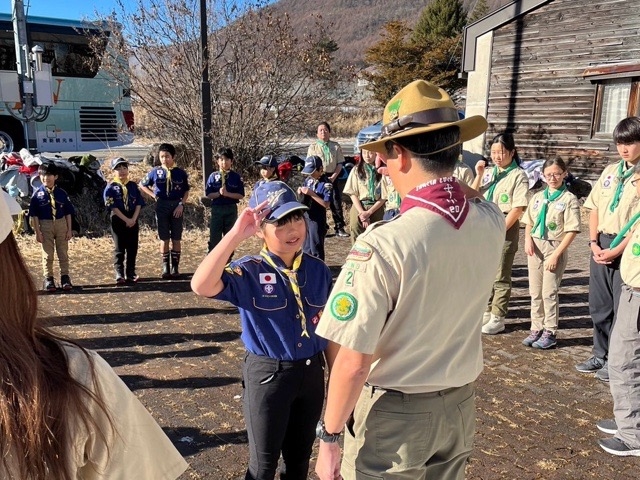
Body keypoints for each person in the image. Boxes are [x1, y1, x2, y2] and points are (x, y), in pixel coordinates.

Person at [313, 80, 505, 480]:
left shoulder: (383, 244)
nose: (379, 164)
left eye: (384, 153)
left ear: (399, 153)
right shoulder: (490, 220)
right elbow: (471, 196)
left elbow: (351, 361)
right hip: (459, 405)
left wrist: (329, 437)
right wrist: (448, 179)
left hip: (395, 417)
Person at [0, 193, 189, 479]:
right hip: (63, 227)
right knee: (56, 255)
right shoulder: (70, 372)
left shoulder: (73, 372)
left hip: (79, 227)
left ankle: (75, 276)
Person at [191, 181, 333, 480]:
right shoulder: (250, 270)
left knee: (299, 461)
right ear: (260, 229)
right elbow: (201, 286)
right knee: (263, 466)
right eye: (281, 222)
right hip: (269, 376)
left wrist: (335, 378)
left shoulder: (318, 269)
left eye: (297, 218)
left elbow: (330, 329)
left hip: (311, 374)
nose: (293, 228)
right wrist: (234, 236)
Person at [576, 116, 640, 381]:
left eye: (630, 142)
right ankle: (599, 353)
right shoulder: (611, 171)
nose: (624, 149)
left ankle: (616, 361)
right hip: (601, 243)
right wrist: (592, 243)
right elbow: (595, 207)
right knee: (599, 306)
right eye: (619, 143)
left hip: (627, 249)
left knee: (621, 309)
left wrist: (616, 250)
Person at [596, 161, 640, 456]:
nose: (634, 186)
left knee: (623, 361)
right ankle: (631, 417)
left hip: (638, 292)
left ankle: (632, 436)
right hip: (631, 286)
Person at [473, 132, 530, 335]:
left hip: (504, 226)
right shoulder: (489, 172)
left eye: (502, 152)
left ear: (512, 152)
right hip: (483, 226)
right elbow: (472, 195)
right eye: (494, 152)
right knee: (484, 271)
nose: (497, 156)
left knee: (500, 273)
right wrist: (479, 174)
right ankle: (487, 310)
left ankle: (498, 315)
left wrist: (498, 230)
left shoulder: (518, 175)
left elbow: (518, 207)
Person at [522, 159, 581, 349]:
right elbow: (529, 221)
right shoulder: (538, 197)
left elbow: (572, 230)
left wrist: (556, 255)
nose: (553, 178)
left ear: (565, 173)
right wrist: (527, 239)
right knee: (535, 292)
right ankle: (536, 327)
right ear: (543, 176)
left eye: (557, 173)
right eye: (548, 174)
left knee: (549, 292)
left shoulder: (568, 199)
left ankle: (550, 331)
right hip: (535, 248)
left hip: (555, 247)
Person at [139, 143, 190, 278]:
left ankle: (175, 267)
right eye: (162, 156)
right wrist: (153, 195)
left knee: (176, 238)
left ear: (173, 157)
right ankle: (165, 267)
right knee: (164, 237)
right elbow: (142, 184)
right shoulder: (155, 171)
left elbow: (186, 191)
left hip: (176, 206)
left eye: (167, 156)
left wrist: (181, 204)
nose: (164, 159)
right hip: (162, 205)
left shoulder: (180, 173)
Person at [28, 162, 75, 292]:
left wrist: (69, 229)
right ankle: (49, 278)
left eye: (49, 175)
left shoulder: (62, 193)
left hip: (60, 224)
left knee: (63, 252)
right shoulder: (37, 195)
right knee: (48, 254)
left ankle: (65, 277)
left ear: (55, 177)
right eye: (42, 174)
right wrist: (37, 232)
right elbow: (34, 215)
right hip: (45, 224)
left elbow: (68, 212)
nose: (45, 178)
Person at [103, 157, 145, 284]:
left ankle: (131, 272)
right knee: (119, 247)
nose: (122, 171)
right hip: (118, 218)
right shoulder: (110, 187)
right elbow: (112, 206)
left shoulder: (132, 186)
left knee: (133, 247)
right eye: (118, 168)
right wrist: (126, 219)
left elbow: (138, 203)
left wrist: (133, 219)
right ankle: (119, 272)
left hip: (132, 217)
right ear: (113, 171)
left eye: (124, 168)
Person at [307, 121, 349, 237]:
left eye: (325, 130)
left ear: (329, 132)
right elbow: (310, 165)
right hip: (319, 177)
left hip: (333, 176)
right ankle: (323, 227)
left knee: (336, 202)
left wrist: (334, 176)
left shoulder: (335, 146)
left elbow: (340, 163)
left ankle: (339, 227)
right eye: (320, 130)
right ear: (317, 134)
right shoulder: (313, 147)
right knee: (319, 202)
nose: (323, 132)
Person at [205, 147, 245, 252]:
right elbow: (208, 194)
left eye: (227, 159)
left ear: (231, 161)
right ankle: (213, 260)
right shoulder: (213, 176)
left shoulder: (236, 177)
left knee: (230, 237)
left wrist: (228, 194)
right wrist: (218, 193)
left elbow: (241, 195)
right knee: (215, 237)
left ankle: (227, 262)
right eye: (221, 159)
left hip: (230, 209)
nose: (224, 162)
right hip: (217, 209)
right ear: (217, 161)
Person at [342, 147, 385, 244]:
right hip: (359, 206)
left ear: (376, 154)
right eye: (364, 153)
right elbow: (352, 193)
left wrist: (369, 212)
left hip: (376, 207)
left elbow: (384, 196)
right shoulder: (356, 170)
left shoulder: (382, 171)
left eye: (370, 153)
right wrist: (362, 213)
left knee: (376, 236)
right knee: (356, 231)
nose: (367, 156)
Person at [298, 155, 332, 260]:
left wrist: (312, 194)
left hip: (317, 218)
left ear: (320, 169)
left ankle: (319, 269)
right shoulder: (308, 180)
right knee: (305, 246)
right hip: (306, 216)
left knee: (315, 246)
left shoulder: (326, 183)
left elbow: (326, 204)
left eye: (312, 172)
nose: (310, 175)